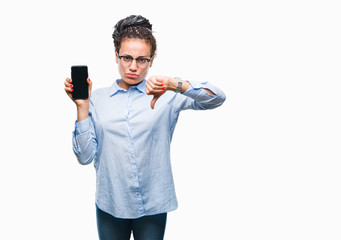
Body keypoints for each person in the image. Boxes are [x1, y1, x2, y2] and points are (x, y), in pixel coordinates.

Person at [64, 15, 226, 240]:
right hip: (111, 203)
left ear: (151, 60)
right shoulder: (97, 99)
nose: (133, 67)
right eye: (126, 58)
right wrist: (82, 107)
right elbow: (85, 157)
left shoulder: (167, 95)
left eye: (142, 60)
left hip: (153, 204)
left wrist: (175, 85)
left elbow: (217, 98)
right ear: (116, 56)